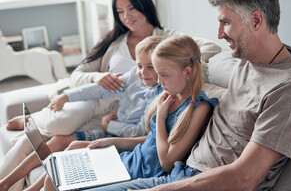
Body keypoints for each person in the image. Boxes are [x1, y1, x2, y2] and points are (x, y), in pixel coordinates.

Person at [78, 0, 291, 191]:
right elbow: (185, 67)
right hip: (181, 174)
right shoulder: (249, 59)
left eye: (226, 22)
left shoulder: (290, 88)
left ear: (256, 21)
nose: (219, 34)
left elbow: (244, 178)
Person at [0, 0, 177, 191]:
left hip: (114, 120)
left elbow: (193, 54)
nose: (126, 16)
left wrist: (108, 126)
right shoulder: (116, 45)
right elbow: (79, 75)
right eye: (120, 11)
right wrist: (96, 78)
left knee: (60, 139)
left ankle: (36, 120)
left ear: (145, 5)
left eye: (132, 8)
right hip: (98, 102)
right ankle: (6, 180)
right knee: (50, 131)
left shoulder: (166, 44)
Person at [43, 35, 218, 191]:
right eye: (158, 74)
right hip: (133, 159)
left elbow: (166, 162)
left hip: (146, 173)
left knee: (61, 181)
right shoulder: (166, 94)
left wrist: (161, 117)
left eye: (163, 75)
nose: (159, 81)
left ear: (187, 72)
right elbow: (151, 141)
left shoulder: (199, 108)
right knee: (55, 176)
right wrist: (114, 141)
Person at [0, 35, 165, 191]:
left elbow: (139, 131)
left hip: (122, 138)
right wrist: (66, 96)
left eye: (150, 67)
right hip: (109, 128)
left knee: (70, 145)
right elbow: (99, 89)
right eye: (139, 66)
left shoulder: (158, 96)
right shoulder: (134, 77)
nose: (143, 72)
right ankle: (6, 182)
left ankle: (32, 189)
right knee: (58, 140)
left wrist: (111, 125)